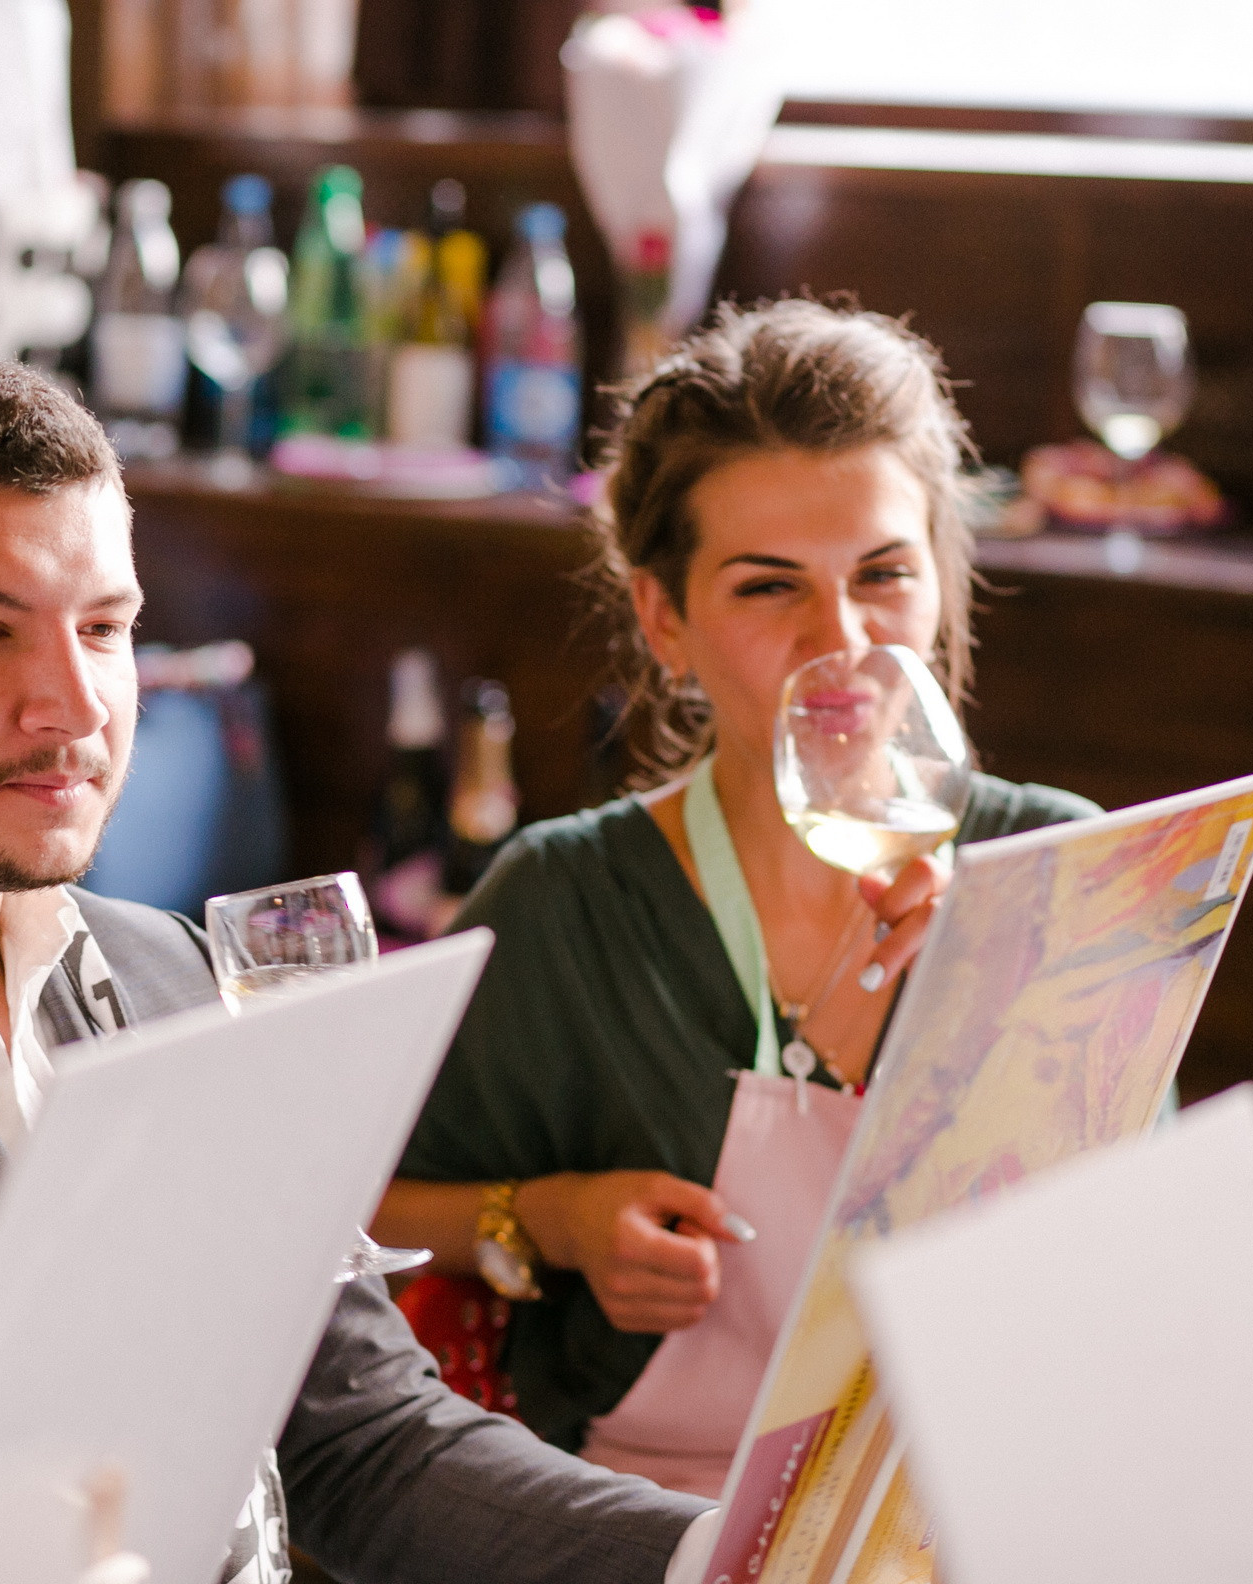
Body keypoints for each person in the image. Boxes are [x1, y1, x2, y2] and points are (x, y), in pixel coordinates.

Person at [0, 348, 718, 1582]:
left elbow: (366, 1441)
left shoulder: (169, 971)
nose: (74, 705)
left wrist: (736, 1558)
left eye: (107, 629)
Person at [370, 300, 1101, 1491]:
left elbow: (1141, 1259)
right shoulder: (567, 900)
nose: (844, 640)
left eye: (885, 575)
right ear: (666, 620)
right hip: (644, 1521)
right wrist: (551, 1218)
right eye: (771, 589)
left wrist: (988, 1037)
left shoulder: (1055, 874)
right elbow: (367, 1207)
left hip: (980, 1499)